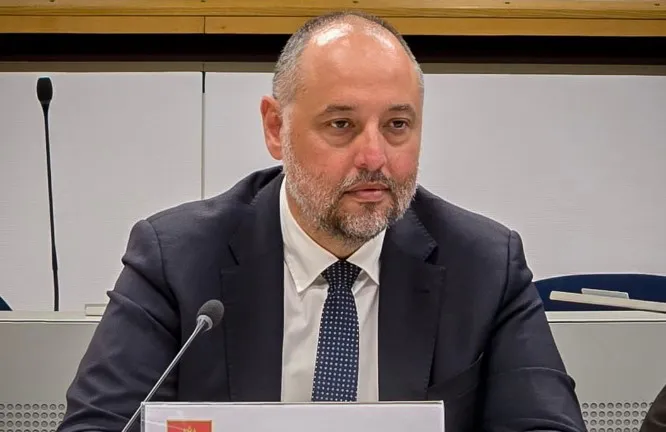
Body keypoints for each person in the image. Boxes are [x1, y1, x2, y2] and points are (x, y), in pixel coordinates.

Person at [57, 10, 586, 432]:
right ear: (275, 128)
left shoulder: (485, 264)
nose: (374, 157)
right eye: (341, 124)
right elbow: (98, 425)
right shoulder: (176, 258)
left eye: (397, 125)